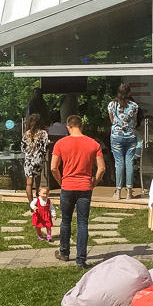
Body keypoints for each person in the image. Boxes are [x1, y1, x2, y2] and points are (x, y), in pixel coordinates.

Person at [50, 114, 105, 269]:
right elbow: (102, 168)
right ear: (81, 126)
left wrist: (61, 181)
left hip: (67, 185)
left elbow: (53, 167)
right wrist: (93, 182)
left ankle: (64, 252)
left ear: (68, 126)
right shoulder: (93, 144)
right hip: (85, 187)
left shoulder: (60, 144)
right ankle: (81, 259)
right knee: (82, 223)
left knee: (65, 221)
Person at [107, 83, 139, 199]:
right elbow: (135, 121)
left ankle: (118, 190)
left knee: (119, 162)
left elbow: (112, 120)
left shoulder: (112, 105)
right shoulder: (134, 106)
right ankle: (129, 191)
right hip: (130, 136)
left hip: (116, 136)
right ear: (129, 93)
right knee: (129, 161)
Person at [21, 113, 50, 202]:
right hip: (38, 160)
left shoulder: (26, 134)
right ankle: (39, 199)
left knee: (29, 184)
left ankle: (31, 204)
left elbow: (22, 148)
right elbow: (45, 147)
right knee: (38, 181)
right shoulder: (43, 133)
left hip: (29, 161)